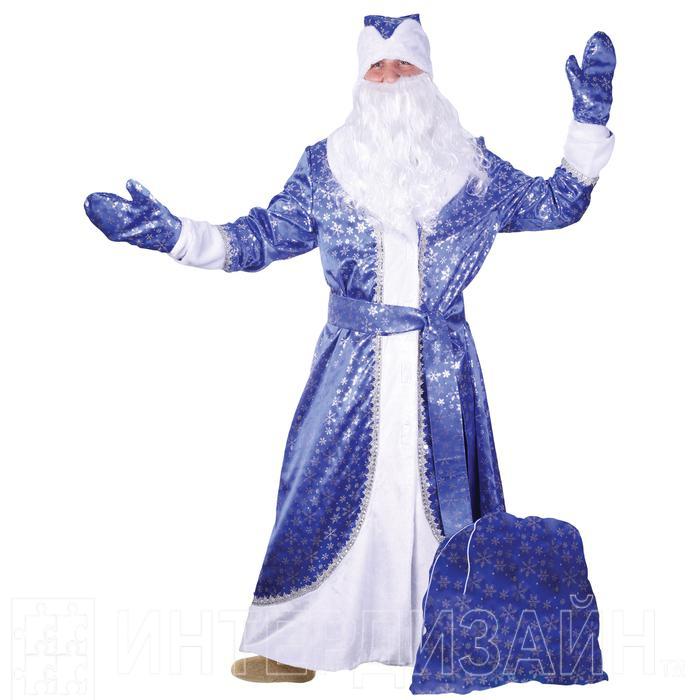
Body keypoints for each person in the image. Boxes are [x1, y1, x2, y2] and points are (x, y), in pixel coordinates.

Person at [84, 13, 615, 684]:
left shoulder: (473, 168)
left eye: (404, 65)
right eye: (377, 67)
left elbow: (557, 204)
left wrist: (589, 122)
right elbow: (260, 237)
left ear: (428, 76)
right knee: (319, 493)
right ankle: (297, 645)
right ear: (361, 79)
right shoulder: (326, 166)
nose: (390, 79)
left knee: (441, 502)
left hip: (441, 369)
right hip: (350, 370)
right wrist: (177, 236)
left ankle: (452, 639)